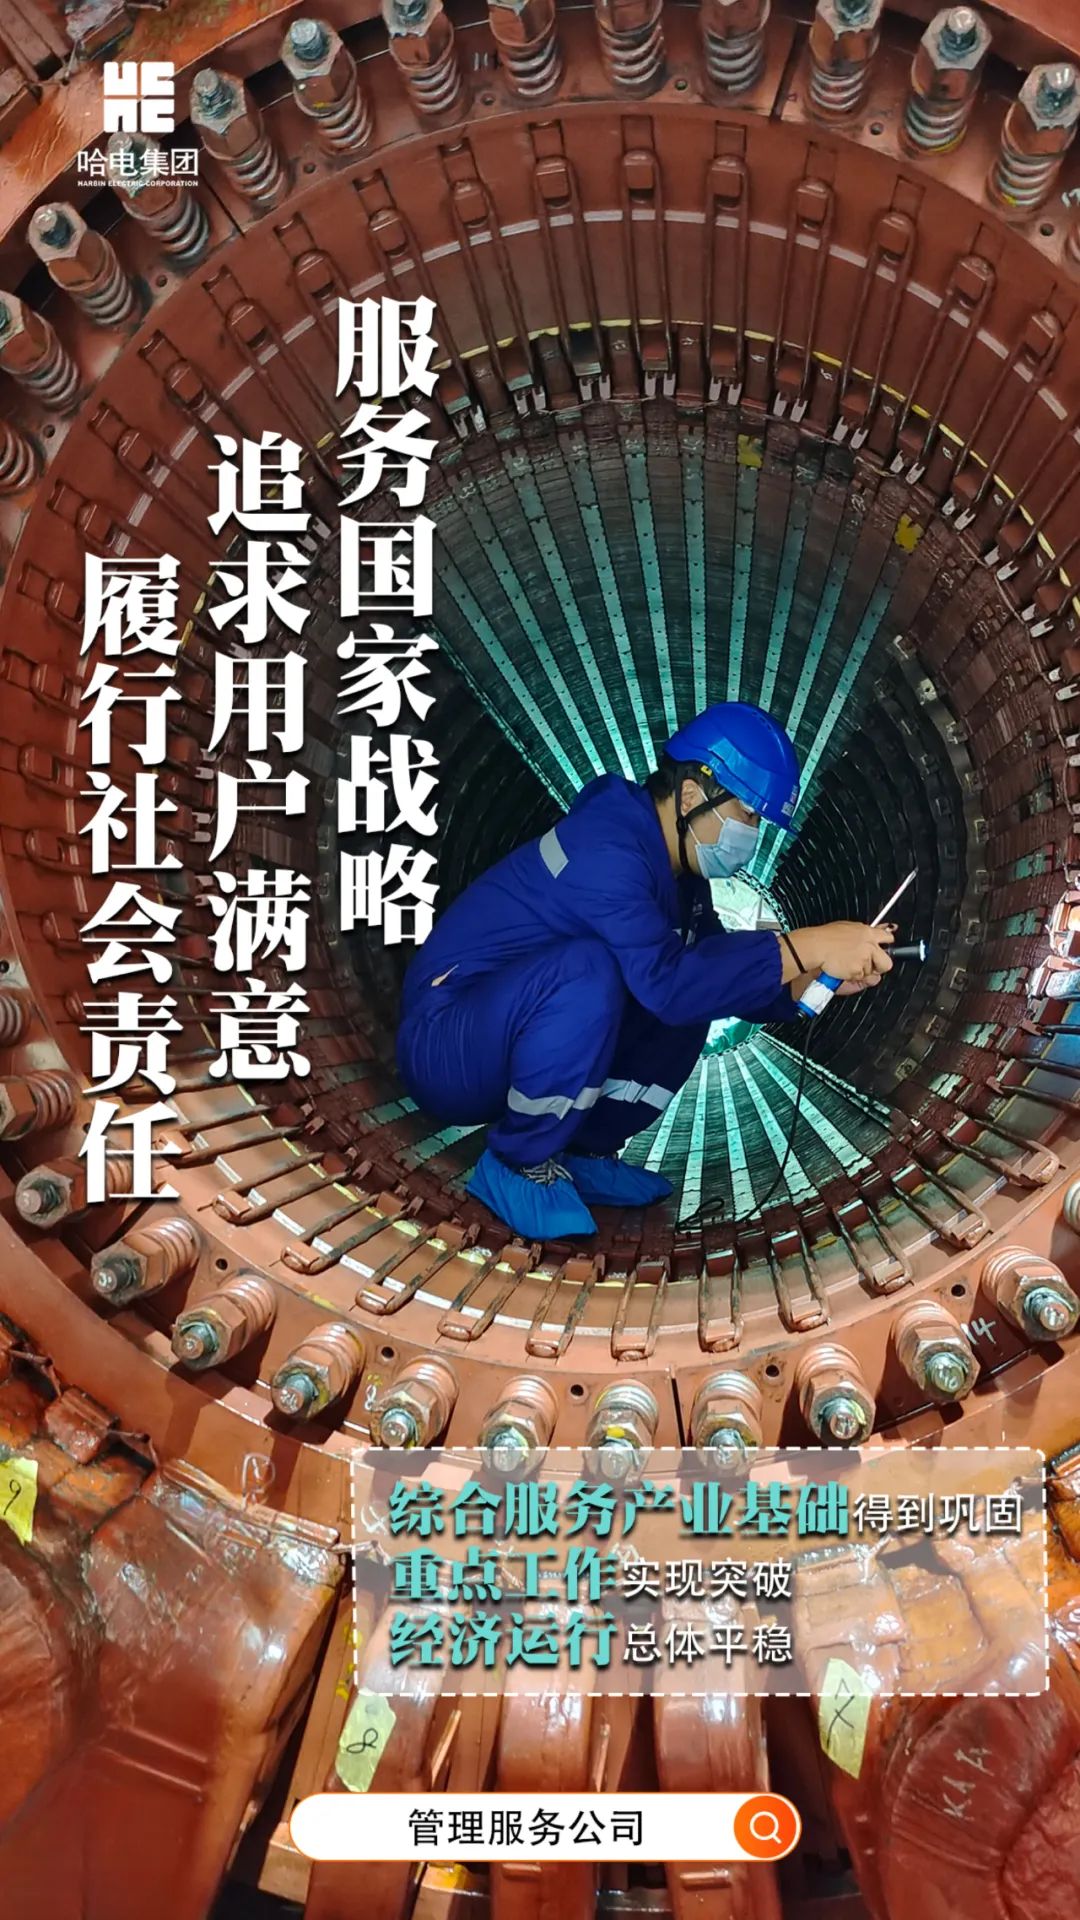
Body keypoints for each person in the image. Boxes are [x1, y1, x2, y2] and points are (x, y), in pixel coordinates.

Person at [396, 702, 894, 1240]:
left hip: (507, 1045)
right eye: (749, 816)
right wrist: (808, 943)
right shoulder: (607, 847)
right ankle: (517, 1162)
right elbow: (670, 984)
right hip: (447, 1046)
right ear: (691, 796)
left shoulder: (681, 880)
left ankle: (583, 1149)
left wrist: (810, 979)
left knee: (695, 992)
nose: (752, 836)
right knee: (595, 973)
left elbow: (713, 975)